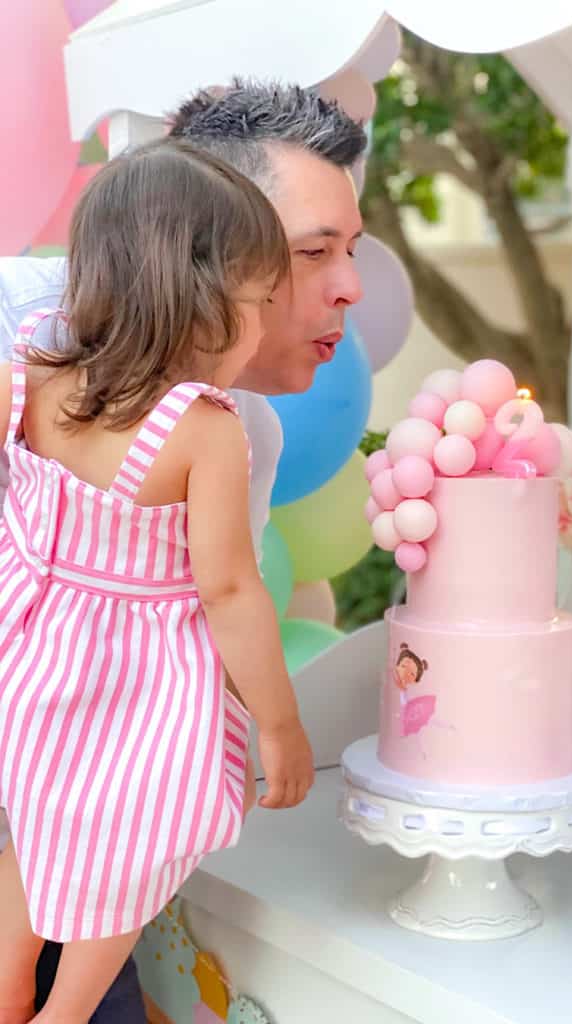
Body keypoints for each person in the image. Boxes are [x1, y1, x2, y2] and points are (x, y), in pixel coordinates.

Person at [0, 79, 367, 1022]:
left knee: (58, 864)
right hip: (80, 720)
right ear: (202, 263)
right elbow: (229, 592)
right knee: (132, 844)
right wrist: (278, 729)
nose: (347, 287)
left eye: (352, 251)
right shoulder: (27, 324)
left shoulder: (45, 377)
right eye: (308, 253)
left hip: (46, 709)